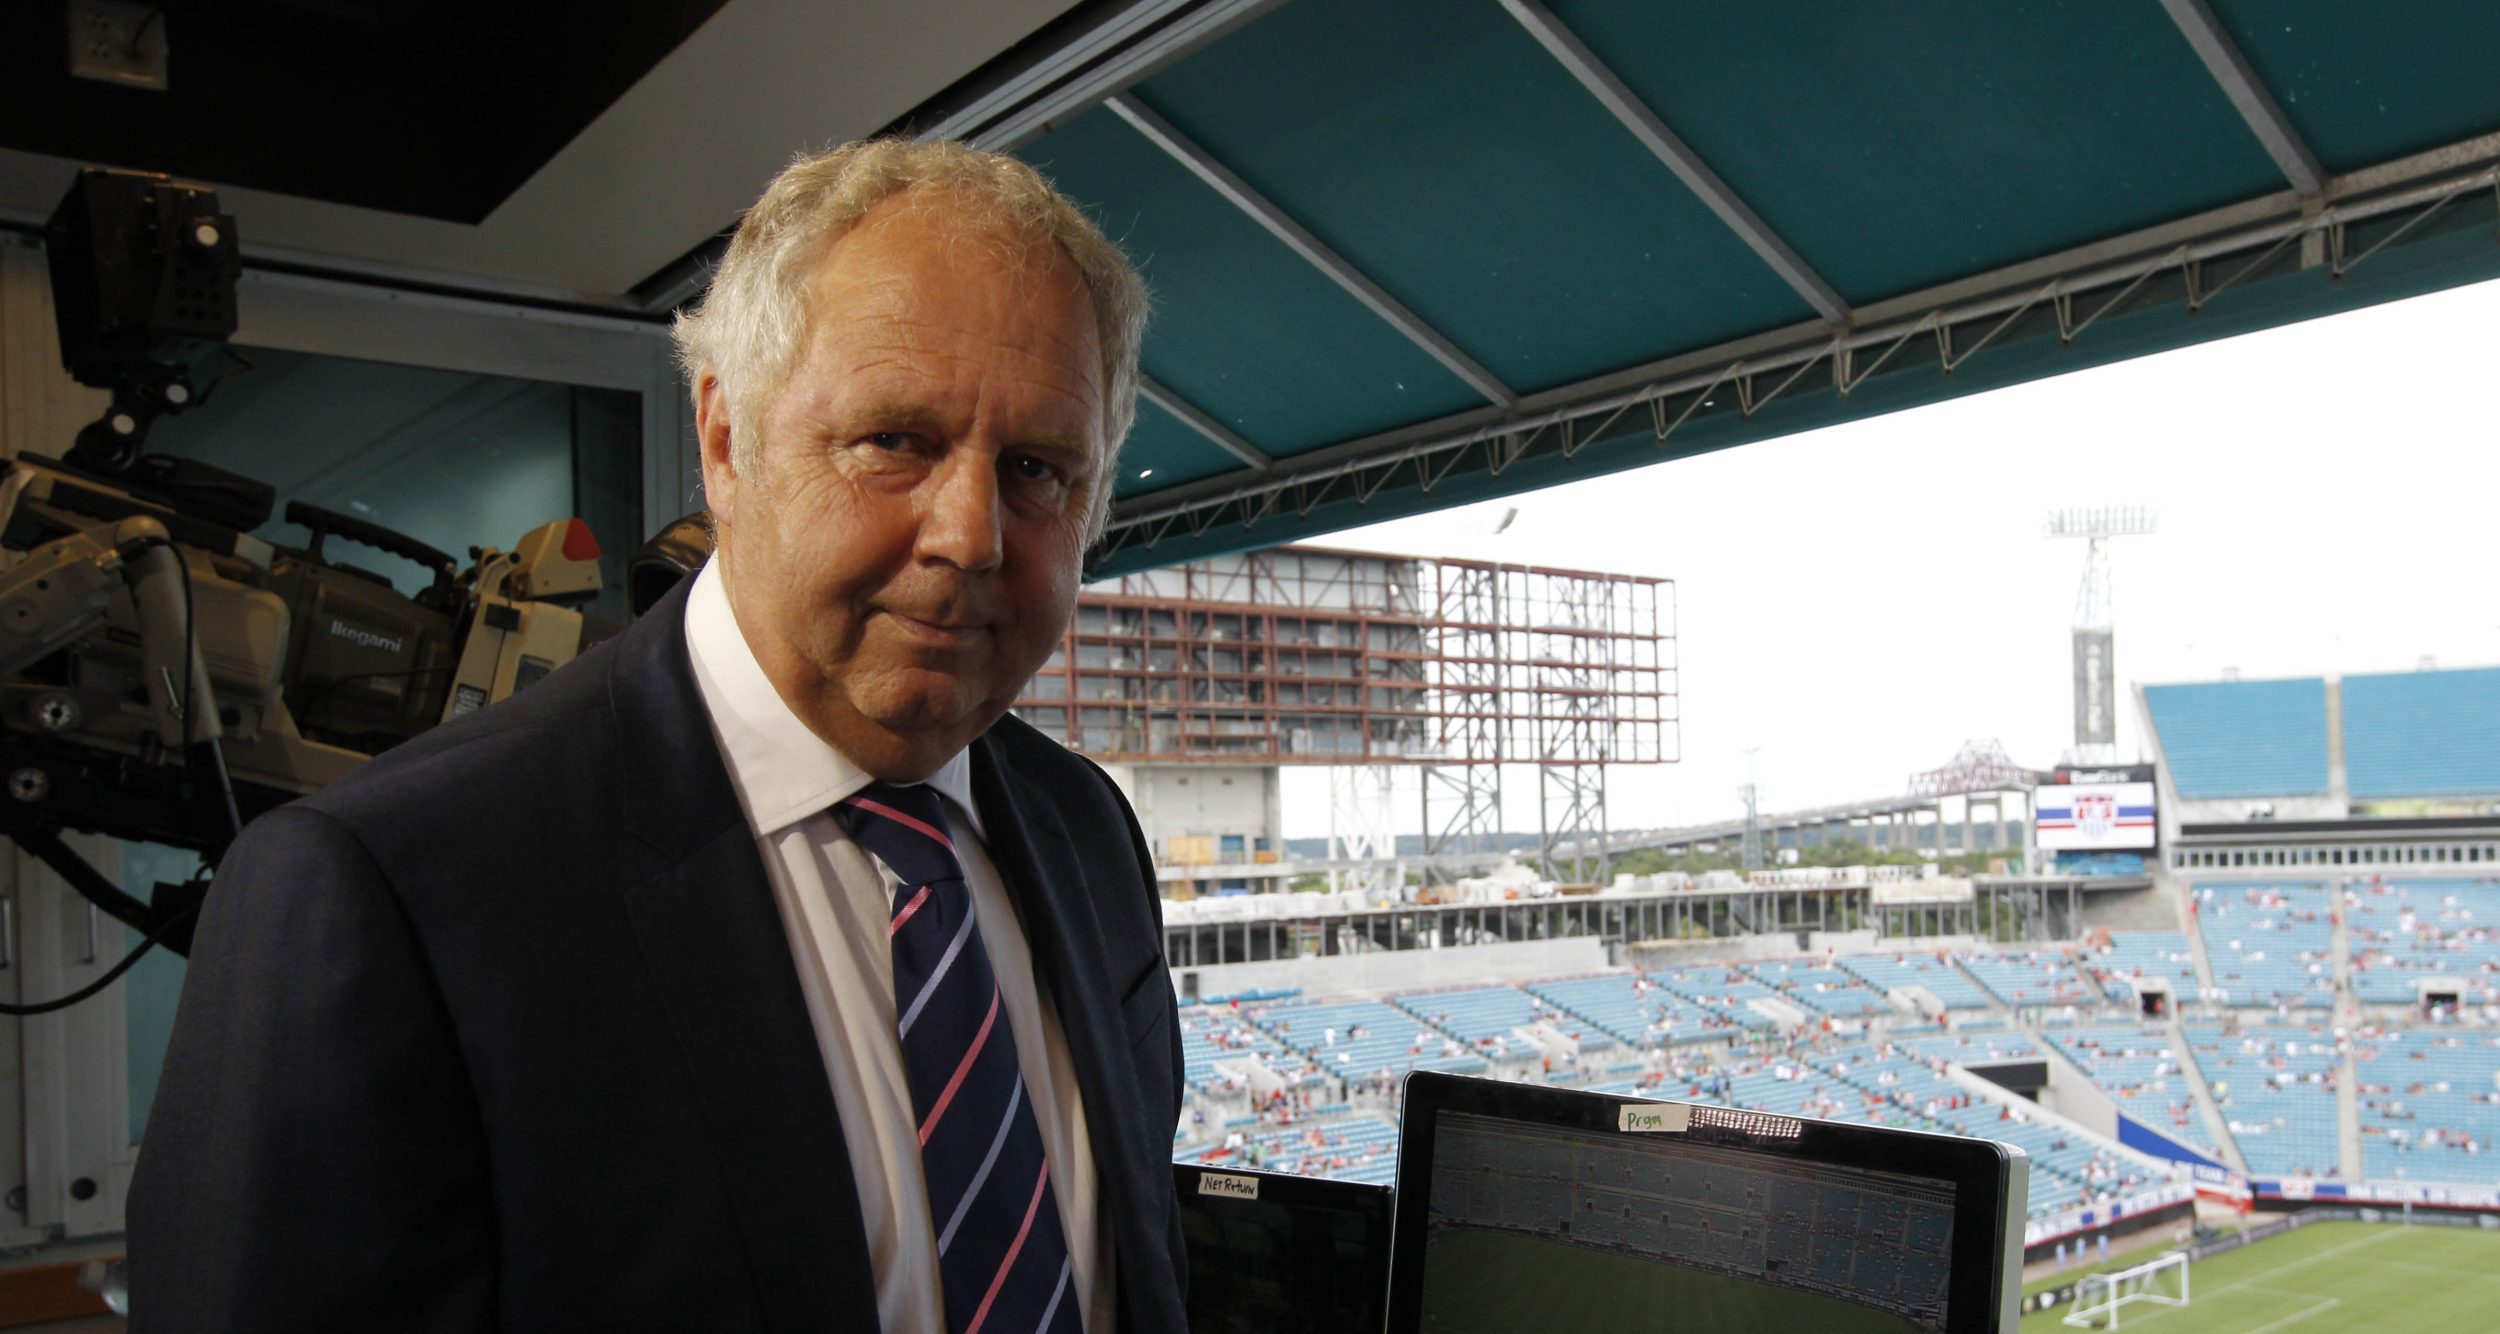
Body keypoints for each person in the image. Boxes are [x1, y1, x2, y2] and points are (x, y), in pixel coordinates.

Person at [126, 140, 1185, 1332]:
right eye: (896, 440)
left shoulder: (1087, 829)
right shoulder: (389, 889)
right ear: (726, 443)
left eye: (1038, 467)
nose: (969, 534)